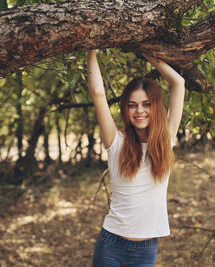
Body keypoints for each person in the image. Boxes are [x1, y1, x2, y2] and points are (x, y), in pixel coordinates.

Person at [87, 49, 185, 267]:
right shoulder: (116, 141)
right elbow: (97, 92)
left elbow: (178, 84)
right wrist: (91, 49)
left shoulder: (165, 140)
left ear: (156, 107)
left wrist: (146, 52)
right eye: (132, 105)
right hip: (111, 244)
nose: (139, 110)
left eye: (146, 104)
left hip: (146, 249)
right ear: (125, 109)